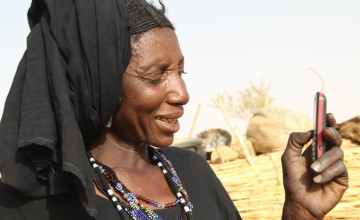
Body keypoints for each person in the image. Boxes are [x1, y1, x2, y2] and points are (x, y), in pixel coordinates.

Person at [0, 0, 348, 219]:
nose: (182, 93)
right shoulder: (33, 205)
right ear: (99, 86)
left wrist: (300, 213)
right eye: (156, 76)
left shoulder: (192, 172)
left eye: (181, 72)